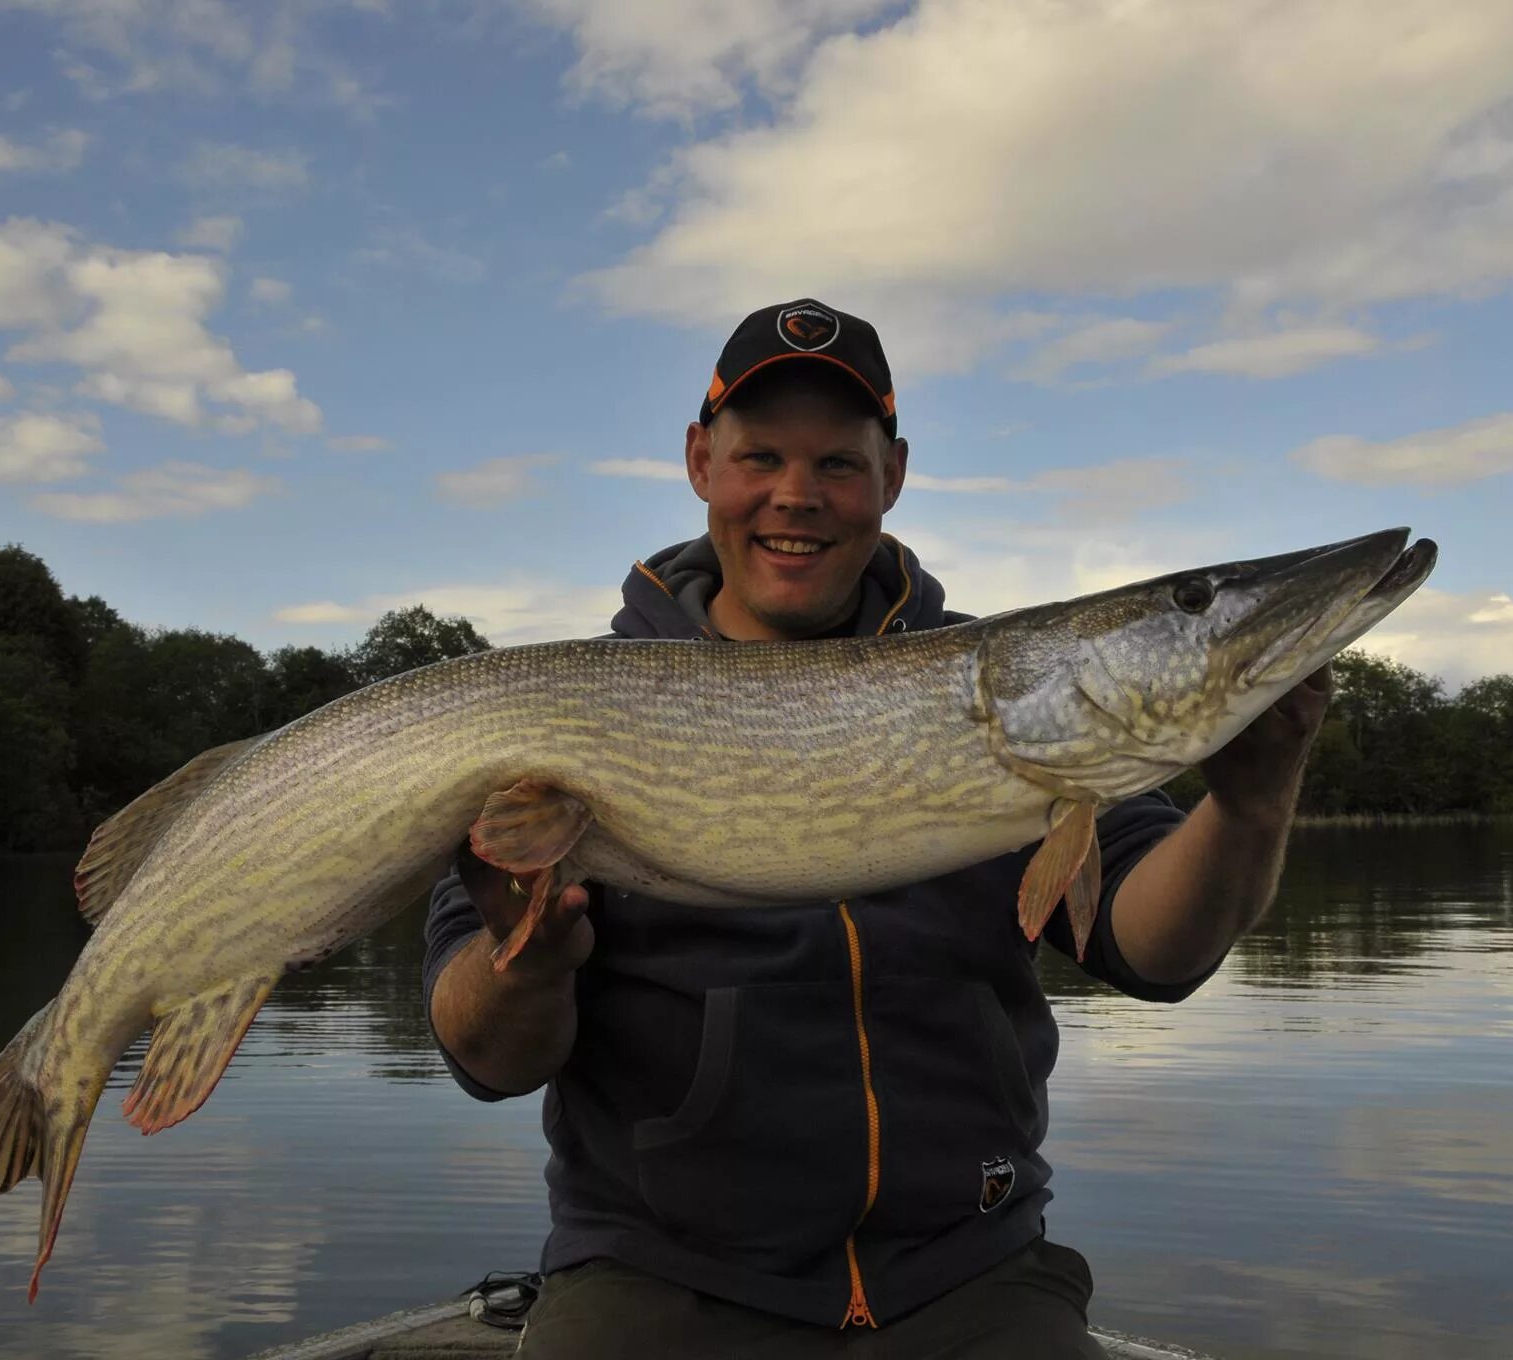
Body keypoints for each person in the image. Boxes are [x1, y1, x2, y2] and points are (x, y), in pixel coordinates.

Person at [422, 299, 1331, 1358]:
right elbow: (484, 1056)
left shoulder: (1016, 702)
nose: (795, 497)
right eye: (759, 455)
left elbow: (1152, 951)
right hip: (657, 1275)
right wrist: (527, 964)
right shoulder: (562, 713)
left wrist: (1251, 803)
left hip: (968, 1266)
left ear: (890, 476)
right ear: (699, 462)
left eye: (837, 465)